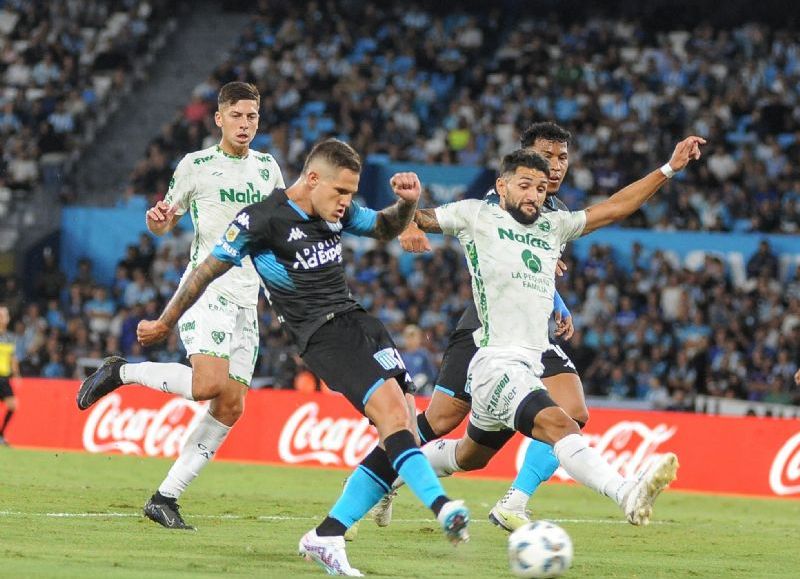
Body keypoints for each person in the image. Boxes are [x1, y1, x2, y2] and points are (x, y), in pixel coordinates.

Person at [333, 135, 705, 541]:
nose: (534, 195)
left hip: (531, 361)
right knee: (560, 424)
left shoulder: (554, 223)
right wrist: (406, 216)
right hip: (495, 363)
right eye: (525, 185)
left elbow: (614, 208)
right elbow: (414, 218)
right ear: (502, 186)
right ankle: (625, 492)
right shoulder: (476, 215)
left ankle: (391, 475)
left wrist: (668, 169)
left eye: (541, 188)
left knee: (470, 456)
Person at [136, 139, 469, 576]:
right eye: (341, 193)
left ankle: (327, 535)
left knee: (407, 424)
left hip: (360, 323)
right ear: (312, 179)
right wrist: (164, 321)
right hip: (323, 335)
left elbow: (384, 227)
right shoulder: (261, 220)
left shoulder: (336, 210)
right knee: (393, 420)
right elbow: (205, 271)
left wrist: (407, 205)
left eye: (350, 194)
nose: (346, 203)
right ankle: (442, 508)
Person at [351, 122, 586, 535]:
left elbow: (533, 269)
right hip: (485, 329)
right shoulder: (501, 202)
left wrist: (558, 301)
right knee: (440, 421)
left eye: (562, 157)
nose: (555, 166)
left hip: (531, 336)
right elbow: (429, 221)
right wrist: (408, 225)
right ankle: (382, 474)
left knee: (574, 411)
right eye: (546, 156)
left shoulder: (559, 213)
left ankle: (514, 502)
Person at [76, 81, 285, 530]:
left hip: (248, 300)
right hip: (205, 288)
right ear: (219, 118)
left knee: (231, 406)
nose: (245, 124)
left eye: (252, 116)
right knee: (209, 384)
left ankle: (165, 497)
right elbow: (163, 222)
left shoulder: (269, 169)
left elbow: (280, 229)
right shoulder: (196, 165)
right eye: (236, 115)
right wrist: (158, 221)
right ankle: (121, 371)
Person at [0, 305, 19, 446]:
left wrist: (17, 374)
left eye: (4, 315)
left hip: (4, 377)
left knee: (12, 405)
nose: (2, 317)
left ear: (8, 319)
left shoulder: (10, 337)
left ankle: (1, 435)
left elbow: (13, 357)